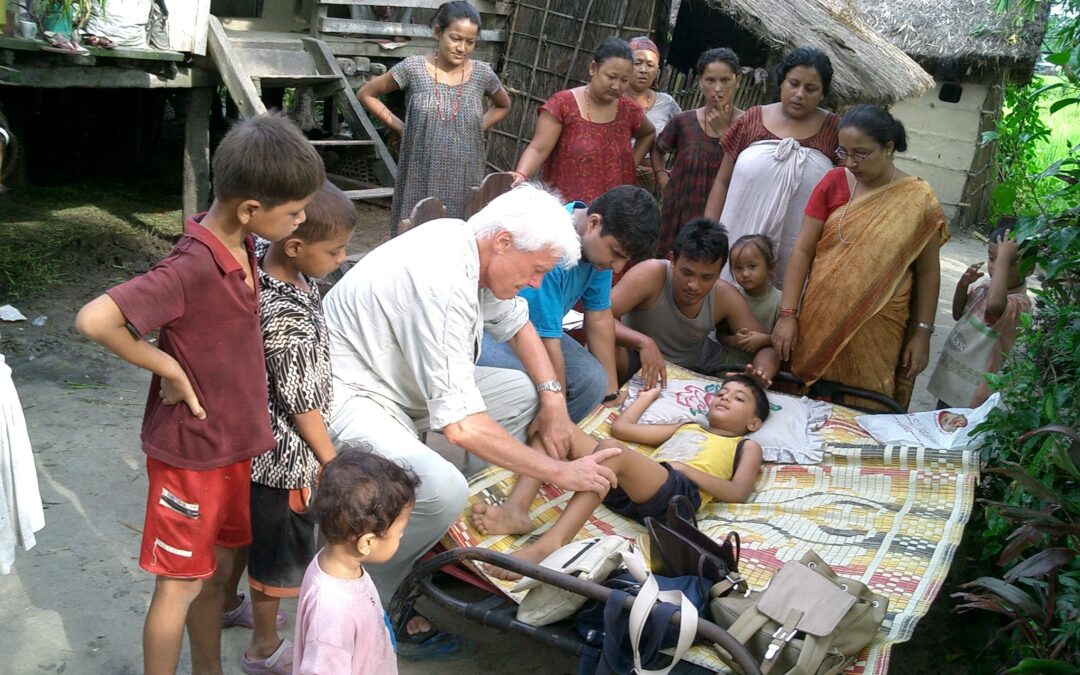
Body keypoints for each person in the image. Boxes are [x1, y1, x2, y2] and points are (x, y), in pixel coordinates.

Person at [74, 112, 324, 675]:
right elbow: (95, 320)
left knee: (214, 576)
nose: (303, 218)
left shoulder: (243, 250)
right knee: (180, 587)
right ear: (251, 211)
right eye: (294, 211)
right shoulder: (189, 267)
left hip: (235, 448)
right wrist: (166, 364)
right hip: (191, 458)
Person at [322, 183, 621, 650]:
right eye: (537, 270)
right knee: (442, 488)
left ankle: (433, 531)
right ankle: (370, 596)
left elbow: (517, 321)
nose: (539, 283)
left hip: (403, 384)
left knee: (522, 392)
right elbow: (461, 426)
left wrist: (554, 400)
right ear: (503, 242)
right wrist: (563, 472)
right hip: (354, 395)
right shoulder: (443, 276)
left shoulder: (467, 243)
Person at [230, 181, 357, 675]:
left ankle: (225, 606)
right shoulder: (285, 314)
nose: (342, 259)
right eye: (335, 250)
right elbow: (301, 403)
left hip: (258, 445)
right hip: (287, 458)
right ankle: (265, 647)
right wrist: (331, 460)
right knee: (280, 558)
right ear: (296, 245)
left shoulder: (269, 260)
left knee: (251, 537)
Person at [476, 375, 767, 577]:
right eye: (722, 393)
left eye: (738, 398)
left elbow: (738, 491)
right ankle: (516, 510)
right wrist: (646, 397)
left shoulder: (746, 445)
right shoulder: (687, 426)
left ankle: (551, 544)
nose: (725, 398)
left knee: (612, 452)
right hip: (631, 486)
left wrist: (685, 469)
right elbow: (622, 429)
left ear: (754, 422)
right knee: (555, 427)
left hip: (678, 498)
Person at [772, 104, 948, 411]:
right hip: (817, 319)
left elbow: (929, 273)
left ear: (889, 148)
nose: (850, 162)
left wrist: (923, 334)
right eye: (844, 152)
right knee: (800, 405)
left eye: (861, 153)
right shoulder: (833, 182)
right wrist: (787, 315)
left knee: (863, 412)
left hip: (879, 329)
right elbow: (802, 250)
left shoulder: (918, 199)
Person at [477, 185, 661, 422]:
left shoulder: (598, 253)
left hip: (533, 329)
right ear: (594, 223)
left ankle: (550, 443)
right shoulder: (553, 245)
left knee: (594, 380)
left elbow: (600, 317)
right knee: (530, 389)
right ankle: (531, 446)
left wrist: (610, 394)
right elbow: (546, 341)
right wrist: (557, 410)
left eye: (624, 259)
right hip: (489, 328)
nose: (617, 267)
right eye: (616, 254)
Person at [357, 1, 510, 230]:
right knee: (416, 233)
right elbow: (366, 94)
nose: (462, 48)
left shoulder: (482, 75)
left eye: (470, 42)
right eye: (456, 38)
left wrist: (477, 127)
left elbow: (503, 105)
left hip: (465, 175)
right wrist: (401, 127)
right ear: (438, 32)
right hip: (419, 173)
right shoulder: (412, 69)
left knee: (459, 235)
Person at [703, 47, 840, 286]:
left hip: (798, 252)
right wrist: (708, 235)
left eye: (811, 89)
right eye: (793, 84)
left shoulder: (835, 131)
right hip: (737, 238)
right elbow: (722, 181)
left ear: (823, 93)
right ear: (782, 83)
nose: (799, 94)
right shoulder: (752, 120)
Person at [612, 218, 780, 389]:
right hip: (633, 363)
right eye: (687, 273)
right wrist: (643, 342)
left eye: (707, 277)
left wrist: (759, 374)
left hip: (684, 379)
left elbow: (766, 347)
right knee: (606, 341)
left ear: (719, 273)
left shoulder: (725, 296)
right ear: (672, 261)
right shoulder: (649, 274)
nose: (694, 285)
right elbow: (597, 316)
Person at [293, 450, 419, 675]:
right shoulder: (333, 614)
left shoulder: (336, 563)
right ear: (367, 543)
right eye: (400, 531)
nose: (402, 536)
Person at [511, 37, 655, 203]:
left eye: (624, 80)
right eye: (611, 77)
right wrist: (521, 174)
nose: (616, 86)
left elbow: (648, 133)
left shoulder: (629, 110)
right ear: (593, 68)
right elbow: (538, 148)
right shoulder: (563, 105)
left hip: (612, 211)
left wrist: (629, 164)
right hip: (566, 210)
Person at [928, 223, 1031, 408]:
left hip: (973, 391)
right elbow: (958, 314)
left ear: (1030, 269)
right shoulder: (985, 286)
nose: (995, 267)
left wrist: (1001, 260)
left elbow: (995, 306)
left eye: (1008, 262)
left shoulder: (1019, 304)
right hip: (952, 379)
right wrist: (963, 285)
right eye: (992, 259)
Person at [651, 48, 743, 257]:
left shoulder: (748, 125)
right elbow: (658, 149)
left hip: (723, 215)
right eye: (710, 80)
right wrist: (662, 177)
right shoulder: (684, 121)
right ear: (700, 81)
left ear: (737, 81)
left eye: (725, 80)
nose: (717, 88)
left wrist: (723, 134)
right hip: (678, 211)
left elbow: (746, 170)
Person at [706, 234, 781, 368]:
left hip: (761, 367)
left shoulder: (780, 301)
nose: (745, 274)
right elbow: (720, 334)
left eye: (752, 266)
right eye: (738, 268)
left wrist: (764, 340)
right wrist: (733, 340)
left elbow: (784, 340)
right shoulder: (731, 296)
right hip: (727, 365)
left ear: (770, 266)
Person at [625, 35, 681, 193]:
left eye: (650, 65)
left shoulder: (667, 104)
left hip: (650, 184)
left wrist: (666, 174)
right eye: (637, 63)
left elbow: (685, 137)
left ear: (657, 71)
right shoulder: (613, 99)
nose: (643, 70)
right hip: (614, 176)